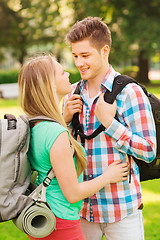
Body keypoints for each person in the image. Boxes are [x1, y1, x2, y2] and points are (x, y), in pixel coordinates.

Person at [62, 17, 157, 240]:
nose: (79, 63)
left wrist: (110, 124)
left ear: (105, 50)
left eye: (85, 55)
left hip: (122, 209)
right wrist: (64, 120)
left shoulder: (130, 92)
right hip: (83, 209)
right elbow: (62, 153)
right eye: (75, 56)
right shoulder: (72, 95)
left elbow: (150, 151)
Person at [18, 54, 129, 240]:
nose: (68, 73)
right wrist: (108, 177)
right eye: (62, 72)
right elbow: (73, 194)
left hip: (43, 217)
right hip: (61, 225)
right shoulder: (56, 133)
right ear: (49, 85)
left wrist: (65, 119)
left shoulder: (34, 124)